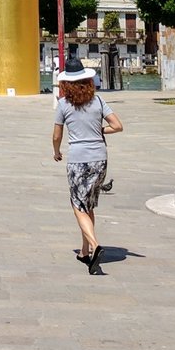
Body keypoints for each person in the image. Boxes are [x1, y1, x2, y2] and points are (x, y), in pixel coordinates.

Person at [52, 53, 123, 275]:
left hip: (78, 160)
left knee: (77, 205)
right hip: (100, 159)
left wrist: (56, 152)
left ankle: (94, 245)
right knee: (88, 204)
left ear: (66, 83)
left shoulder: (63, 104)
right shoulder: (99, 101)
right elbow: (118, 126)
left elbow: (56, 135)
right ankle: (85, 253)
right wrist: (99, 130)